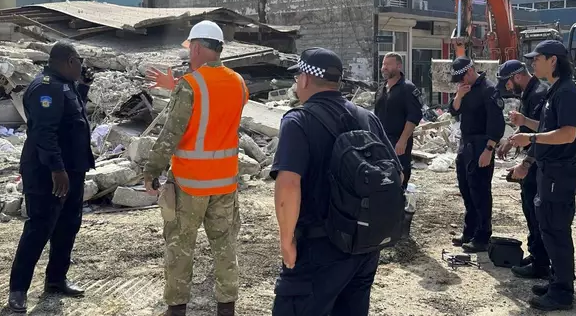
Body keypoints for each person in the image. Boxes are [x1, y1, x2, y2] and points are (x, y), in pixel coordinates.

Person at [270, 48, 403, 316]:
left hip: (319, 247)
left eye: (297, 77)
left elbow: (288, 185)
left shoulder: (299, 120)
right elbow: (397, 175)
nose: (296, 84)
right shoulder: (367, 117)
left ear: (306, 79)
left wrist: (286, 241)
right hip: (364, 244)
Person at [143, 20, 248, 316]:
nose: (189, 55)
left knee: (180, 248)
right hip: (225, 184)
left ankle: (176, 310)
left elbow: (171, 133)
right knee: (225, 248)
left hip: (190, 183)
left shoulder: (191, 85)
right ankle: (226, 309)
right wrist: (176, 86)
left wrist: (152, 170)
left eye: (190, 49)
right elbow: (213, 104)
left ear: (199, 47)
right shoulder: (238, 82)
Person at [7, 41, 95, 313]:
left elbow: (71, 119)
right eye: (80, 61)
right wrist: (58, 170)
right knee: (39, 228)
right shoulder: (46, 86)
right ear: (70, 60)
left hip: (71, 171)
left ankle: (56, 280)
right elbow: (44, 132)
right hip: (48, 173)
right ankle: (18, 291)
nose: (82, 66)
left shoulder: (65, 84)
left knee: (68, 225)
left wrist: (84, 87)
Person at [509, 40, 576, 312]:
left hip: (558, 175)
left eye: (536, 58)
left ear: (553, 60)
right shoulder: (555, 91)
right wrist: (527, 125)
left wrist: (531, 137)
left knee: (556, 231)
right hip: (549, 173)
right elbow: (547, 125)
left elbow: (568, 133)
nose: (532, 63)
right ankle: (557, 280)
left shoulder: (566, 92)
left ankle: (563, 292)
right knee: (549, 229)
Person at [496, 60, 551, 280]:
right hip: (534, 161)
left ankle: (540, 264)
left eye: (507, 83)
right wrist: (511, 141)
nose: (507, 88)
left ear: (517, 77)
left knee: (536, 213)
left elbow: (544, 135)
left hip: (539, 163)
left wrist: (527, 163)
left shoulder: (539, 94)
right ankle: (537, 254)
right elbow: (528, 126)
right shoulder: (529, 93)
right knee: (530, 211)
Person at [448, 57, 505, 253]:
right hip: (466, 144)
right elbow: (453, 111)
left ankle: (482, 236)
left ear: (471, 71)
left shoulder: (488, 89)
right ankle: (469, 231)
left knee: (480, 192)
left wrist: (489, 149)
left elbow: (496, 123)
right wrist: (458, 96)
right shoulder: (465, 89)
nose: (461, 83)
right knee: (466, 189)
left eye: (462, 78)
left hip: (481, 145)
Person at [374, 52, 423, 187]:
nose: (384, 67)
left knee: (399, 177)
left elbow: (414, 116)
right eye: (383, 64)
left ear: (399, 66)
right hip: (381, 141)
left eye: (388, 64)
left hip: (398, 143)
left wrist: (402, 141)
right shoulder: (381, 89)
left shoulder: (408, 88)